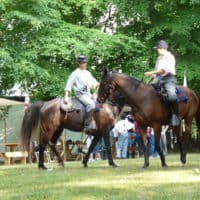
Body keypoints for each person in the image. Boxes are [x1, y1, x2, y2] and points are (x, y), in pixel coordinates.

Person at [144, 40, 180, 126]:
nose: (156, 50)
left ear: (162, 48)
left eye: (157, 49)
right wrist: (152, 76)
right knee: (147, 92)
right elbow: (157, 70)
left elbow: (164, 70)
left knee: (172, 96)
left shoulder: (170, 57)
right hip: (158, 78)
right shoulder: (159, 58)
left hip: (168, 78)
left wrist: (150, 73)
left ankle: (176, 116)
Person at [64, 55, 99, 132]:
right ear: (79, 63)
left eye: (84, 62)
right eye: (81, 63)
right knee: (91, 105)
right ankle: (87, 125)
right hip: (80, 94)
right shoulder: (75, 73)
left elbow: (94, 82)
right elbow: (68, 85)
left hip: (88, 94)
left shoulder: (87, 73)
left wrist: (97, 87)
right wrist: (66, 96)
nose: (83, 64)